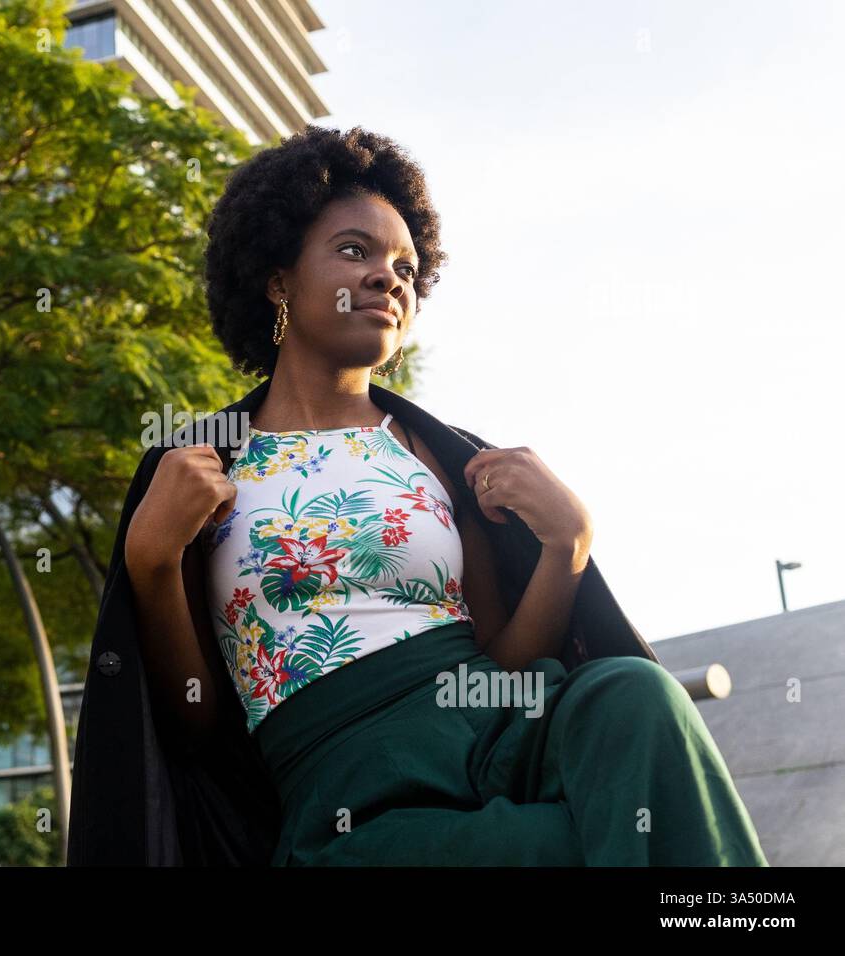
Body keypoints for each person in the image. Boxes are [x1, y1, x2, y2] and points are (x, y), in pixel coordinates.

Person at [104, 125, 768, 866]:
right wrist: (152, 561)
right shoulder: (205, 465)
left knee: (635, 696)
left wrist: (566, 547)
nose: (392, 278)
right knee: (557, 847)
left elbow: (501, 661)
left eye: (407, 266)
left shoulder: (437, 456)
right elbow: (193, 728)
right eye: (355, 251)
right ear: (278, 279)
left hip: (500, 726)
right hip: (356, 794)